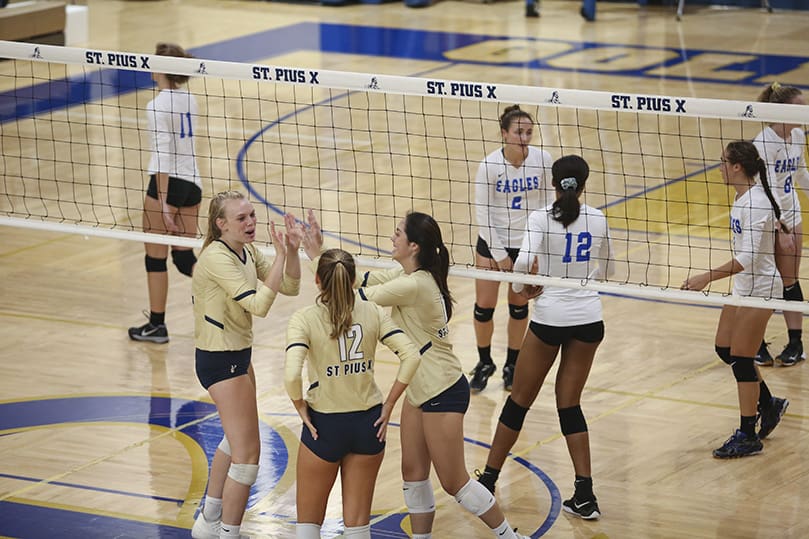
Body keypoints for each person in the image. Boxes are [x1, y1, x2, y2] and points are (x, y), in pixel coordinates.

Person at [357, 212, 529, 539]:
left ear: (414, 246)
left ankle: (510, 537)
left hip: (442, 389)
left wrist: (326, 273)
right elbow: (362, 279)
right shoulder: (408, 274)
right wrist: (318, 255)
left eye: (398, 233)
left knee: (454, 483)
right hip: (419, 388)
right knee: (413, 474)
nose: (392, 237)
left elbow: (359, 297)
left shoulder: (414, 285)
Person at [475, 155, 612, 521]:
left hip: (551, 318)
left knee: (519, 401)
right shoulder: (598, 218)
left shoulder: (540, 218)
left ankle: (488, 481)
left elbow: (523, 265)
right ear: (584, 184)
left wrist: (523, 289)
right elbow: (610, 268)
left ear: (553, 183)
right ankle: (585, 493)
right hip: (589, 319)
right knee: (570, 404)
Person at [191, 191, 305, 539]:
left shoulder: (246, 251)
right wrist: (280, 255)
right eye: (241, 218)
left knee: (236, 441)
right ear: (221, 224)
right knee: (248, 457)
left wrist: (292, 252)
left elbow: (289, 286)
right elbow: (258, 305)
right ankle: (228, 531)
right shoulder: (216, 258)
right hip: (219, 360)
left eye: (252, 215)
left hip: (238, 355)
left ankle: (209, 520)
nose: (251, 222)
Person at [285, 248, 421, 539]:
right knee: (358, 526)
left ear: (318, 281)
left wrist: (299, 407)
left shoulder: (304, 318)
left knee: (308, 525)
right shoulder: (372, 311)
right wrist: (389, 405)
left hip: (324, 426)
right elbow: (411, 356)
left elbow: (291, 375)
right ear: (353, 279)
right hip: (368, 424)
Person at [682, 141, 789, 458]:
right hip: (745, 286)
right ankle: (768, 403)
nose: (720, 168)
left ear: (737, 167)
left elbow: (749, 257)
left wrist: (706, 277)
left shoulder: (755, 203)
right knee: (725, 348)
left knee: (742, 358)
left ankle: (747, 434)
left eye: (723, 162)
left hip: (761, 288)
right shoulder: (742, 197)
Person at [471, 105, 553, 392]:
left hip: (526, 244)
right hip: (492, 242)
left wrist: (537, 250)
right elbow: (483, 214)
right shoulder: (489, 165)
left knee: (519, 308)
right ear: (504, 133)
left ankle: (512, 365)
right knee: (484, 307)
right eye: (519, 132)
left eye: (529, 132)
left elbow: (548, 206)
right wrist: (500, 255)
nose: (525, 138)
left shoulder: (543, 160)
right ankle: (484, 363)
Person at [129, 42, 201, 344]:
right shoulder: (190, 99)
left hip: (167, 184)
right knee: (185, 259)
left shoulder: (156, 105)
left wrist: (162, 200)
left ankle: (157, 326)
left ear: (162, 68)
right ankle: (232, 293)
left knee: (155, 258)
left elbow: (162, 154)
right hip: (193, 183)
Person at [752, 83, 809, 367]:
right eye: (800, 106)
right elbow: (769, 188)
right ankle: (755, 342)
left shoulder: (797, 134)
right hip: (765, 219)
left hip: (791, 213)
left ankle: (796, 344)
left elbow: (801, 174)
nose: (806, 110)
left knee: (789, 280)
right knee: (763, 281)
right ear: (782, 110)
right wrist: (781, 226)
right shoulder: (763, 143)